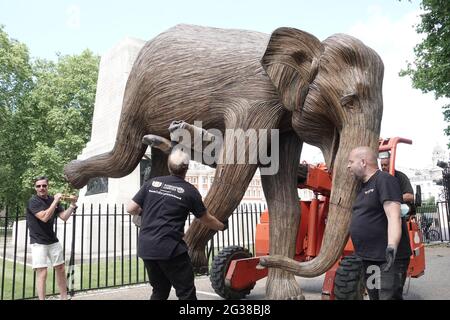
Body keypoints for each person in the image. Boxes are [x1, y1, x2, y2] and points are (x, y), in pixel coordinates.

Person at [127, 149, 226, 300]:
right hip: (171, 250)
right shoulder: (189, 191)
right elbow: (206, 219)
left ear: (169, 166)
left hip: (147, 248)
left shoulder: (152, 183)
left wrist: (145, 212)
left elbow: (131, 208)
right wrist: (222, 226)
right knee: (186, 292)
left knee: (159, 290)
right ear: (187, 168)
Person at [347, 147, 411, 300]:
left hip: (388, 260)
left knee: (388, 297)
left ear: (363, 162)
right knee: (375, 296)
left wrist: (392, 246)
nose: (348, 166)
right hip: (370, 259)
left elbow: (393, 215)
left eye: (351, 162)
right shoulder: (362, 187)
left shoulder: (384, 180)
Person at [26, 176, 78, 300]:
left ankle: (64, 297)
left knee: (60, 268)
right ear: (35, 188)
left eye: (44, 185)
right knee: (42, 272)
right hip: (38, 241)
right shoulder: (33, 201)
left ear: (47, 186)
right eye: (38, 186)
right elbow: (44, 217)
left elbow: (64, 217)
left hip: (52, 240)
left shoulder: (51, 200)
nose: (41, 188)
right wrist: (55, 201)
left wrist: (72, 205)